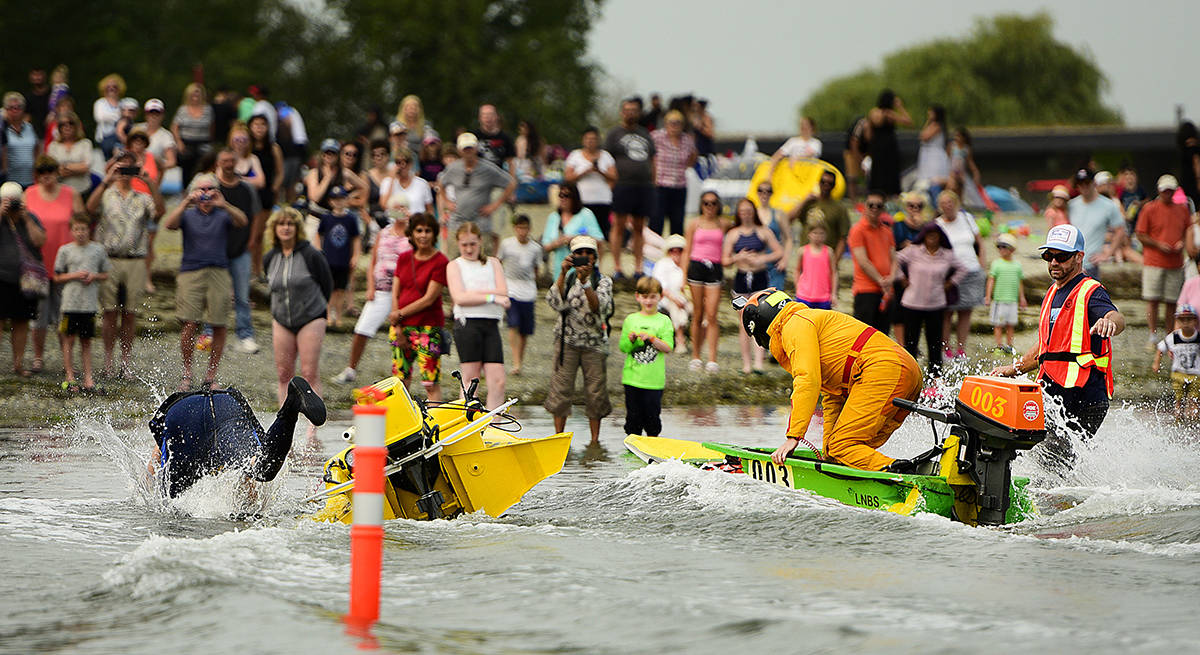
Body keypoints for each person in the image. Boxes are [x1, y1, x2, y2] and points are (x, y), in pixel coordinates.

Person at [735, 289, 923, 472]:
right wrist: (828, 452)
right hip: (905, 370)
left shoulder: (794, 324)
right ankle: (906, 471)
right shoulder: (809, 320)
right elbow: (833, 395)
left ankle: (906, 477)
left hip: (884, 370)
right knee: (840, 449)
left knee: (843, 445)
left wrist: (794, 436)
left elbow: (807, 380)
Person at [990, 224, 1125, 472]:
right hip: (1055, 390)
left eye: (1061, 257)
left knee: (1055, 461)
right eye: (1048, 256)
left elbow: (1117, 317)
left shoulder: (1090, 291)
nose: (1053, 262)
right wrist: (1013, 369)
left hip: (1084, 394)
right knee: (1043, 456)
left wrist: (1109, 322)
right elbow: (1046, 346)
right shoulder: (1053, 292)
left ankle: (1060, 504)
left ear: (1079, 257)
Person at [147, 376, 326, 499]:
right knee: (261, 468)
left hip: (182, 412)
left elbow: (151, 471)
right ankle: (292, 404)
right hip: (225, 403)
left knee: (169, 502)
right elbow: (250, 488)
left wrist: (142, 495)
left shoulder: (177, 443)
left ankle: (291, 405)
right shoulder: (224, 452)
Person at [162, 173, 248, 391]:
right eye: (202, 189)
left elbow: (243, 221)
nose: (206, 193)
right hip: (190, 271)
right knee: (189, 322)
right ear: (193, 190)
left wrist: (224, 203)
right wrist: (185, 202)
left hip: (219, 271)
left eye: (210, 189)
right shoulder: (188, 214)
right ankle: (187, 372)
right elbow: (169, 225)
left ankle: (211, 376)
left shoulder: (223, 214)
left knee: (219, 323)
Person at [86, 151, 164, 378]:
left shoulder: (143, 197)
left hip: (135, 259)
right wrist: (106, 180)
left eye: (129, 169)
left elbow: (159, 213)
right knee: (109, 312)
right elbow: (89, 209)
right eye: (121, 168)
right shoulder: (106, 193)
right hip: (109, 259)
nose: (124, 174)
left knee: (130, 313)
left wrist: (150, 182)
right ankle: (109, 361)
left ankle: (126, 362)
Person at [545, 235, 613, 443]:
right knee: (561, 390)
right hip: (567, 343)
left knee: (595, 393)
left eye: (588, 254)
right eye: (579, 254)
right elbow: (554, 302)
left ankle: (595, 441)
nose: (584, 258)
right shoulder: (566, 279)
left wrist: (585, 284)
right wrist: (563, 273)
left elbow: (598, 307)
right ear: (572, 256)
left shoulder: (603, 281)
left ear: (595, 257)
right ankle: (558, 439)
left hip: (594, 345)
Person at [331, 206, 411, 386]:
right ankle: (350, 368)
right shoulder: (384, 233)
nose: (400, 212)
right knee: (362, 329)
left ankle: (404, 376)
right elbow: (374, 260)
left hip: (404, 291)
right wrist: (370, 287)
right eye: (398, 208)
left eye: (404, 208)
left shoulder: (413, 233)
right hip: (381, 289)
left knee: (403, 334)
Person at [263, 208, 332, 414]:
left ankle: (313, 429)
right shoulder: (270, 257)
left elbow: (326, 285)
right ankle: (284, 426)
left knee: (309, 373)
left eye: (290, 224)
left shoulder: (311, 254)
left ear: (297, 228)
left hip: (311, 317)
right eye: (281, 224)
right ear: (274, 229)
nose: (285, 228)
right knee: (284, 374)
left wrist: (318, 311)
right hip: (281, 319)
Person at [25, 155, 83, 375]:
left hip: (66, 266)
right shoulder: (28, 194)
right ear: (37, 175)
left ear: (57, 173)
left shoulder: (71, 194)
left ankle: (67, 361)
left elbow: (82, 223)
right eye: (42, 172)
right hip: (38, 265)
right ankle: (38, 357)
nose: (47, 176)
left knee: (65, 316)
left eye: (50, 171)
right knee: (38, 318)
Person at [447, 224, 510, 409]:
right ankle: (467, 421)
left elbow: (504, 292)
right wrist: (491, 297)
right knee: (471, 379)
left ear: (480, 242)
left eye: (473, 244)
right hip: (467, 324)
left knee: (498, 380)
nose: (468, 249)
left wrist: (473, 293)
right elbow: (459, 297)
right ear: (458, 243)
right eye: (464, 244)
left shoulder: (493, 263)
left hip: (491, 325)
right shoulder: (454, 265)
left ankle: (494, 423)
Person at [388, 213, 448, 402]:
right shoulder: (404, 258)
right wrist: (397, 325)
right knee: (400, 381)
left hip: (428, 327)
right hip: (401, 327)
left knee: (430, 383)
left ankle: (436, 424)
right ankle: (406, 426)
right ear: (412, 234)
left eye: (428, 231)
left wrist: (399, 314)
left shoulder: (440, 261)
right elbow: (395, 292)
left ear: (434, 234)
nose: (423, 235)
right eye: (419, 230)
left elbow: (429, 298)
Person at [896, 223, 965, 375]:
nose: (932, 239)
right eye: (929, 236)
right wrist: (901, 278)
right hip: (912, 302)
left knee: (934, 343)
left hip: (936, 303)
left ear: (940, 237)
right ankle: (909, 374)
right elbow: (895, 259)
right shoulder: (914, 251)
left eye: (935, 236)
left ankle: (935, 377)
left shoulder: (946, 254)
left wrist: (950, 283)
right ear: (924, 237)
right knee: (911, 342)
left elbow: (962, 268)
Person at [52, 215, 110, 392]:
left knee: (86, 341)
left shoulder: (98, 250)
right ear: (71, 231)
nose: (80, 233)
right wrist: (74, 275)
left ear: (89, 230)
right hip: (70, 303)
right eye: (76, 229)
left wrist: (94, 276)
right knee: (68, 339)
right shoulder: (65, 250)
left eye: (83, 229)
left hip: (89, 304)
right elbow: (57, 276)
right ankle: (70, 375)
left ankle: (88, 377)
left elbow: (106, 273)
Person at [725, 197, 783, 374]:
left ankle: (759, 362)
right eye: (742, 211)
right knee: (743, 322)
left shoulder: (762, 231)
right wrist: (738, 258)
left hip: (759, 277)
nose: (746, 214)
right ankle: (746, 364)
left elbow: (778, 251)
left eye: (749, 211)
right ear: (738, 213)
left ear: (754, 212)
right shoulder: (733, 233)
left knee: (760, 320)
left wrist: (761, 258)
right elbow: (725, 260)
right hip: (742, 277)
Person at [214, 148, 263, 353]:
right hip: (216, 251)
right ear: (218, 163)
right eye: (224, 160)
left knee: (242, 296)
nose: (228, 163)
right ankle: (210, 333)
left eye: (231, 160)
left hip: (241, 249)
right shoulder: (213, 187)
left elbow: (257, 214)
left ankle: (245, 334)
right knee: (216, 295)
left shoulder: (246, 188)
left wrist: (252, 239)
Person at [438, 132, 516, 256]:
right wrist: (447, 202)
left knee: (483, 258)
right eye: (465, 149)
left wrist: (495, 205)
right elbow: (441, 183)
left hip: (481, 222)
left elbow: (511, 183)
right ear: (459, 150)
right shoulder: (453, 168)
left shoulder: (488, 168)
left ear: (476, 148)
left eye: (470, 148)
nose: (468, 152)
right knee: (454, 259)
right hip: (457, 221)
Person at [605, 97, 656, 278]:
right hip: (622, 185)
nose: (630, 113)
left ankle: (638, 267)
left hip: (643, 186)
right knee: (618, 225)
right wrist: (611, 184)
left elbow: (652, 159)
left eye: (634, 110)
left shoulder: (644, 133)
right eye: (627, 110)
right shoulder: (614, 134)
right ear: (622, 112)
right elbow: (606, 160)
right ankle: (618, 267)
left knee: (639, 227)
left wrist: (653, 182)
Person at [1136, 175, 1190, 343]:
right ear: (1159, 191)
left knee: (1171, 301)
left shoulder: (1182, 209)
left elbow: (1187, 230)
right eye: (1165, 191)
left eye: (1170, 191)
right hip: (1154, 261)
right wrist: (1159, 245)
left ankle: (1168, 335)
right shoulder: (1150, 208)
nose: (1167, 194)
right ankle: (1152, 334)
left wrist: (1183, 242)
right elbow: (1140, 234)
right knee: (1152, 299)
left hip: (1175, 262)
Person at [1, 181, 47, 377]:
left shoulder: (30, 217)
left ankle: (18, 364)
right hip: (2, 277)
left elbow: (40, 241)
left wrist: (26, 217)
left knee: (21, 322)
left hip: (25, 280)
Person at [620, 277, 674, 436]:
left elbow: (668, 347)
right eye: (645, 297)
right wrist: (631, 341)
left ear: (660, 297)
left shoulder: (664, 321)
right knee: (633, 421)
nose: (648, 301)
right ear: (638, 297)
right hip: (632, 380)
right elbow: (623, 347)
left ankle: (652, 452)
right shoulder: (631, 319)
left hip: (654, 382)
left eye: (652, 296)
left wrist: (651, 338)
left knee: (652, 422)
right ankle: (631, 452)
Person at [682, 191, 729, 372]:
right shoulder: (694, 223)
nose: (710, 207)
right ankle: (695, 356)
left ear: (718, 205)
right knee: (698, 313)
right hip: (696, 266)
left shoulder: (723, 223)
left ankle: (712, 358)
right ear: (701, 205)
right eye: (706, 203)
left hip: (715, 268)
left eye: (713, 203)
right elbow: (687, 250)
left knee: (712, 315)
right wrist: (683, 275)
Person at [935, 190, 985, 358]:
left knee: (966, 311)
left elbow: (980, 243)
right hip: (950, 274)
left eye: (950, 202)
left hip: (972, 270)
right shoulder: (938, 224)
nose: (947, 206)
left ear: (956, 203)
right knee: (947, 312)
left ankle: (961, 349)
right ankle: (946, 348)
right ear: (939, 206)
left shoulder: (967, 218)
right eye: (943, 203)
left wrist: (983, 266)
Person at [497, 214, 541, 375]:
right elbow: (498, 262)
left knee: (524, 330)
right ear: (515, 228)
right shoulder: (507, 245)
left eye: (525, 228)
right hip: (511, 289)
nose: (522, 231)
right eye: (519, 228)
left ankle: (519, 361)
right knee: (513, 324)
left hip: (528, 291)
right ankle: (515, 362)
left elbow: (537, 269)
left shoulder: (535, 248)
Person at [848, 190, 896, 333]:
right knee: (863, 336)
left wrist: (891, 278)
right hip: (866, 290)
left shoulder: (887, 231)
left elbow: (894, 257)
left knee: (883, 335)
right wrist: (881, 280)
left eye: (879, 205)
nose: (875, 208)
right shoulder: (857, 230)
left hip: (886, 291)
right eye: (871, 205)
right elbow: (863, 261)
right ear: (865, 206)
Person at [313, 186, 361, 328]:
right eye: (335, 199)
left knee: (340, 290)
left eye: (341, 199)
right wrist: (318, 249)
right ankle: (328, 315)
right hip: (329, 259)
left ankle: (338, 316)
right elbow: (318, 234)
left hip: (343, 259)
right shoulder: (326, 218)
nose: (338, 202)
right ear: (330, 201)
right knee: (329, 289)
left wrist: (356, 255)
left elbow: (356, 238)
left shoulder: (351, 219)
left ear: (346, 200)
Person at [1068, 168, 1124, 279]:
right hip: (1070, 263)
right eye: (1080, 184)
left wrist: (1107, 254)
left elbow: (1120, 230)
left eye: (1087, 183)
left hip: (1090, 264)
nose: (1083, 187)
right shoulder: (1071, 205)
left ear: (1093, 183)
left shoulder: (1108, 205)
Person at [649, 110, 698, 237]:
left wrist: (686, 166)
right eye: (671, 123)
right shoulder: (656, 137)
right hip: (660, 184)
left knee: (677, 222)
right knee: (656, 221)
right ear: (665, 124)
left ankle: (676, 251)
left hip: (679, 185)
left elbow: (693, 156)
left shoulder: (687, 139)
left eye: (678, 123)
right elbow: (649, 157)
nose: (674, 126)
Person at [565, 126, 618, 239]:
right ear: (583, 140)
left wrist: (599, 171)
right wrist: (585, 172)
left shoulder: (606, 156)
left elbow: (614, 177)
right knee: (582, 230)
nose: (590, 141)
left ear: (598, 140)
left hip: (602, 200)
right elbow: (568, 178)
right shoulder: (575, 155)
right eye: (587, 138)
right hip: (582, 199)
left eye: (593, 139)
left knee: (601, 231)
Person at [247, 114, 284, 274]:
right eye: (256, 124)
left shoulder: (273, 148)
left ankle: (257, 269)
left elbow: (280, 172)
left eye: (263, 124)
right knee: (247, 235)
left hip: (265, 194)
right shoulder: (247, 148)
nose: (259, 128)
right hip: (248, 193)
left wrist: (275, 188)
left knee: (258, 235)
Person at [542, 182, 604, 273]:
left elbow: (599, 241)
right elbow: (546, 246)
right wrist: (559, 242)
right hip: (560, 270)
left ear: (574, 197)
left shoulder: (586, 214)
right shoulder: (554, 217)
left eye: (566, 196)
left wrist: (575, 239)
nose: (563, 199)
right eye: (560, 195)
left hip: (583, 269)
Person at [789, 170, 851, 261]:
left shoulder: (840, 208)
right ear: (818, 183)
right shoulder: (809, 203)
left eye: (830, 183)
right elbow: (789, 219)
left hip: (826, 258)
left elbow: (843, 238)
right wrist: (804, 201)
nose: (826, 185)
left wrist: (834, 263)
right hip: (806, 257)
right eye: (823, 182)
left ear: (834, 186)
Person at [1153, 305, 1200, 420]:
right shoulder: (1173, 337)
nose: (1186, 323)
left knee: (1194, 399)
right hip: (1178, 373)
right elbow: (1161, 348)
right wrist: (1156, 363)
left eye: (1189, 319)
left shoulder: (1198, 337)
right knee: (1178, 398)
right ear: (1177, 321)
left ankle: (1194, 419)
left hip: (1196, 374)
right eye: (1182, 319)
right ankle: (1178, 418)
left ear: (1195, 321)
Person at [864, 90, 911, 198]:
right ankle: (890, 194)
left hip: (876, 146)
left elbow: (868, 133)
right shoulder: (889, 114)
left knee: (877, 172)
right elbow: (908, 121)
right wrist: (900, 107)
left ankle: (876, 193)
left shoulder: (873, 112)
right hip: (889, 146)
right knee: (890, 172)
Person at [985, 233, 1027, 352]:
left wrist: (1022, 298)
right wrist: (988, 296)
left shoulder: (1017, 265)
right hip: (999, 299)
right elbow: (991, 281)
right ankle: (999, 345)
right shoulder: (996, 264)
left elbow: (1019, 282)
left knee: (1011, 324)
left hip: (1012, 300)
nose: (1001, 249)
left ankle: (1009, 345)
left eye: (1004, 246)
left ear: (1012, 249)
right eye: (999, 247)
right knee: (998, 324)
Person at [651, 234, 691, 352]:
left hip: (686, 298)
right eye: (673, 250)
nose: (676, 253)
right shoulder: (662, 264)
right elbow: (660, 287)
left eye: (680, 250)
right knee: (676, 307)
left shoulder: (688, 265)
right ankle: (680, 340)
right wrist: (675, 299)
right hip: (666, 299)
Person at [171, 83, 214, 185]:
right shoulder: (182, 110)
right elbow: (174, 127)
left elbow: (212, 127)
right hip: (186, 142)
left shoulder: (208, 110)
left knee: (205, 164)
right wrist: (179, 142)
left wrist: (211, 141)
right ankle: (184, 189)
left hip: (203, 142)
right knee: (185, 166)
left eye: (198, 95)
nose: (195, 97)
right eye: (193, 95)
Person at [46, 111, 92, 196]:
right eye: (63, 124)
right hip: (60, 192)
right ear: (59, 128)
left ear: (76, 126)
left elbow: (86, 167)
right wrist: (77, 169)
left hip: (83, 190)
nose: (67, 127)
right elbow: (51, 170)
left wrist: (64, 167)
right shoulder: (53, 146)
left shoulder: (85, 143)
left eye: (71, 123)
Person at [795, 224, 836, 310]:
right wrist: (798, 287)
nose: (818, 236)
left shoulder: (829, 252)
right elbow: (797, 270)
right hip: (804, 296)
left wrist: (833, 293)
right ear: (809, 234)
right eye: (815, 233)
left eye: (821, 233)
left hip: (823, 296)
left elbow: (834, 273)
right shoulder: (802, 251)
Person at [3, 92, 39, 187]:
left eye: (18, 107)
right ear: (6, 110)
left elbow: (36, 149)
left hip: (30, 180)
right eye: (11, 107)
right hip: (9, 181)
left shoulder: (30, 128)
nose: (15, 110)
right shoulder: (2, 129)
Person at [915, 105, 950, 201]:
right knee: (925, 179)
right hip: (927, 155)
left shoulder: (937, 126)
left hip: (934, 156)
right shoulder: (932, 124)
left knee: (933, 179)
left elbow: (925, 136)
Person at [135, 99, 178, 173]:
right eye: (151, 113)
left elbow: (171, 161)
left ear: (162, 115)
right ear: (146, 115)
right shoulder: (136, 129)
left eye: (157, 113)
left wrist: (157, 167)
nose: (154, 116)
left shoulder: (166, 136)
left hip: (153, 173)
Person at [473, 104, 515, 171]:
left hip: (499, 174)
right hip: (479, 175)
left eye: (491, 114)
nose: (488, 117)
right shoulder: (473, 137)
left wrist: (512, 179)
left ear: (496, 117)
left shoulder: (505, 137)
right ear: (479, 118)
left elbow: (510, 161)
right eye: (484, 115)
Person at [93, 74, 124, 159]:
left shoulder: (123, 103)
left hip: (120, 138)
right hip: (104, 138)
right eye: (108, 87)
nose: (111, 89)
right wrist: (118, 117)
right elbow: (99, 117)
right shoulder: (100, 103)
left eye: (114, 87)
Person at [1177, 121, 1200, 210]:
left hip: (1189, 182)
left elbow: (1196, 164)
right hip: (1193, 182)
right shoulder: (1196, 149)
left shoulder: (1186, 150)